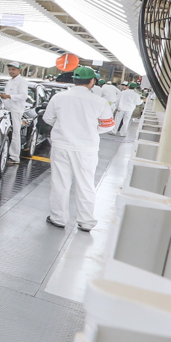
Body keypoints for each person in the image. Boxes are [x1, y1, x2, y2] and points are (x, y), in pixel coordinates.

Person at [43, 66, 115, 231]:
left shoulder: (59, 97)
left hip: (61, 145)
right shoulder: (100, 102)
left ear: (74, 80)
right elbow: (108, 125)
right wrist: (91, 130)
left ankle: (58, 218)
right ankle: (86, 221)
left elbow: (48, 118)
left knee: (60, 182)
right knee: (85, 183)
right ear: (92, 81)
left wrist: (63, 127)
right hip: (86, 149)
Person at [0, 61, 29, 163]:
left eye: (13, 69)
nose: (11, 71)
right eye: (10, 69)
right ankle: (8, 154)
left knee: (15, 134)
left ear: (19, 70)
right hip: (8, 110)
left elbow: (23, 96)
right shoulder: (10, 81)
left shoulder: (22, 82)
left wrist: (8, 96)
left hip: (16, 111)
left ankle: (15, 157)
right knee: (9, 133)